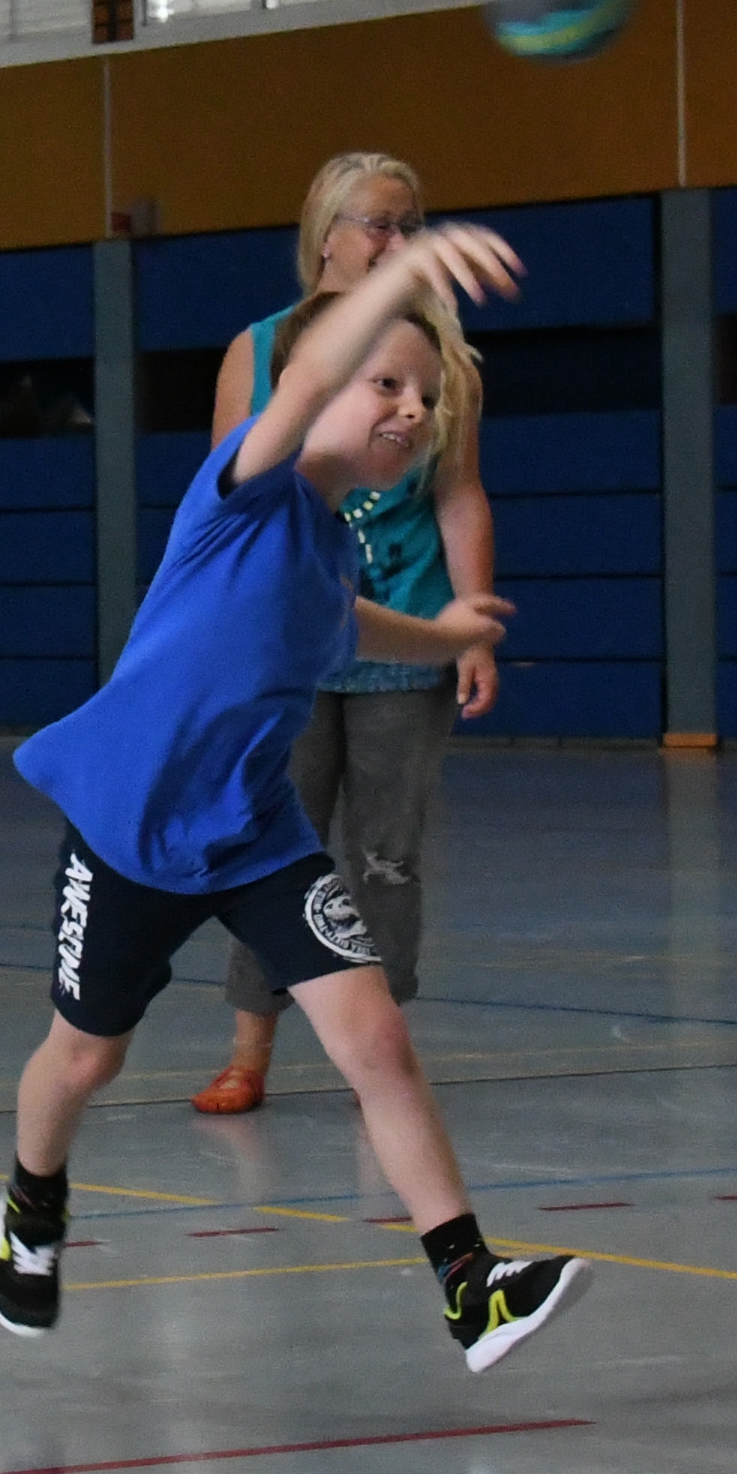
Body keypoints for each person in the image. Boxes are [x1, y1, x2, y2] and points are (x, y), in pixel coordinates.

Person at [0, 222, 591, 1373]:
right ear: (313, 391)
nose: (412, 410)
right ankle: (32, 1204)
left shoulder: (331, 548)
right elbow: (309, 372)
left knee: (377, 1041)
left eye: (427, 397)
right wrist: (401, 275)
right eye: (387, 383)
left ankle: (471, 1285)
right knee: (85, 1058)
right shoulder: (245, 489)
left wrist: (445, 635)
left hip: (257, 830)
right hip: (130, 824)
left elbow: (341, 627)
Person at [192, 152, 499, 1117]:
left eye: (411, 226)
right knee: (270, 843)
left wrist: (469, 628)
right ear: (327, 234)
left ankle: (382, 1061)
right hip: (287, 644)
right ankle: (250, 1048)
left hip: (400, 642)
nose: (396, 242)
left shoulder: (442, 361)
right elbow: (228, 499)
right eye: (378, 223)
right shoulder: (260, 349)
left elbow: (459, 494)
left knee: (387, 857)